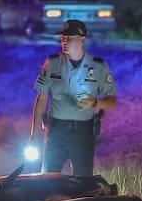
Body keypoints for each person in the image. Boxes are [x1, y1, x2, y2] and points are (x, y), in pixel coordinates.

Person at [27, 19, 116, 176]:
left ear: (82, 39)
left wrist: (95, 102)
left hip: (82, 133)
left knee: (83, 183)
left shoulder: (98, 66)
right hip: (56, 132)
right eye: (62, 38)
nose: (64, 42)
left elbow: (112, 101)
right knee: (46, 180)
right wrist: (33, 135)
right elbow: (41, 99)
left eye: (69, 38)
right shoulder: (52, 63)